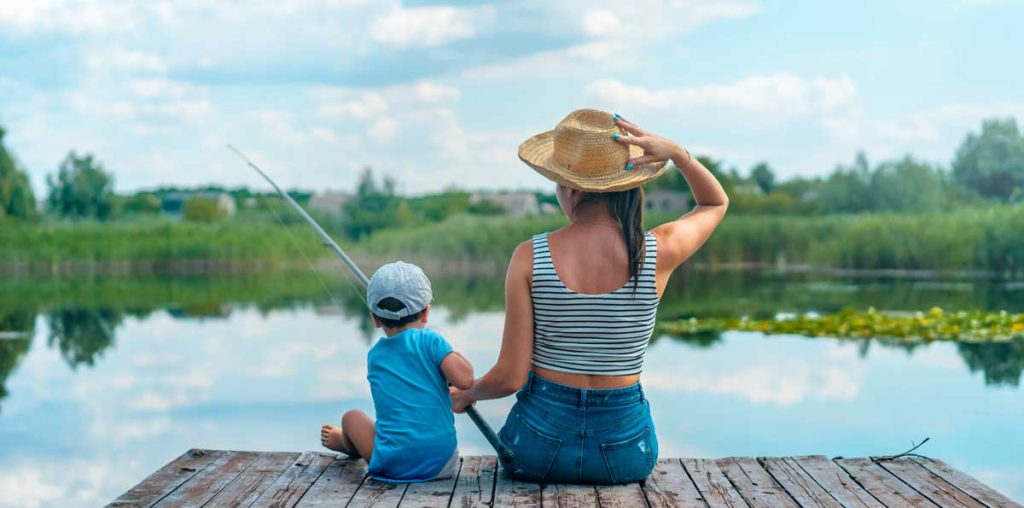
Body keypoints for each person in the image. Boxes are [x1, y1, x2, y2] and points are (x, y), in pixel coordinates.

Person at [450, 109, 728, 484]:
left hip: (537, 449)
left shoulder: (530, 256)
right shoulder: (658, 251)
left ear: (571, 188)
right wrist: (679, 154)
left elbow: (510, 377)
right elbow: (714, 203)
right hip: (627, 453)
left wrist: (469, 393)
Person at [321, 261, 475, 483]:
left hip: (391, 465)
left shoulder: (375, 356)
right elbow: (466, 379)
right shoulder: (432, 342)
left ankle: (347, 444)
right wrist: (449, 353)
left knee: (351, 417)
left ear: (374, 318)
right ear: (425, 313)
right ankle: (348, 444)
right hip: (441, 464)